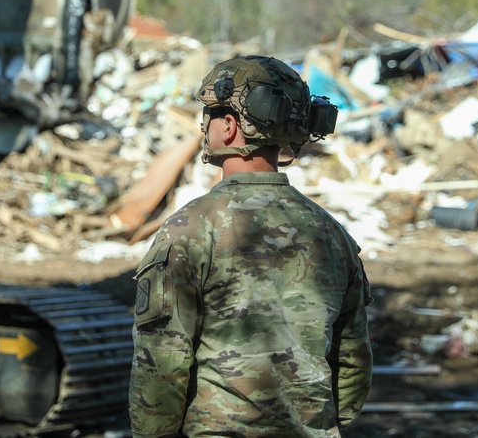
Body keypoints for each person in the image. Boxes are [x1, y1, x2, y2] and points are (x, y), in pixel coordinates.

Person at [129, 54, 373, 438]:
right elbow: (353, 363)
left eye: (209, 114)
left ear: (228, 126)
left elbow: (162, 362)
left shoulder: (189, 229)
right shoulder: (332, 233)